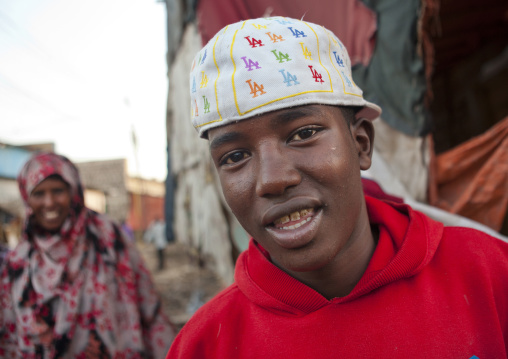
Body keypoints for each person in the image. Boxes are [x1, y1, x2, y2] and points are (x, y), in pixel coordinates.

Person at [166, 16, 508, 358]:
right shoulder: (206, 345)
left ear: (361, 144)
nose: (272, 179)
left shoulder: (489, 274)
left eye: (303, 134)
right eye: (235, 156)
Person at [0, 152, 176, 358]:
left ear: (73, 191)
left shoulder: (107, 238)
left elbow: (148, 305)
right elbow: (9, 335)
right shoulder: (19, 263)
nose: (49, 202)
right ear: (27, 197)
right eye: (39, 194)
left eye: (58, 191)